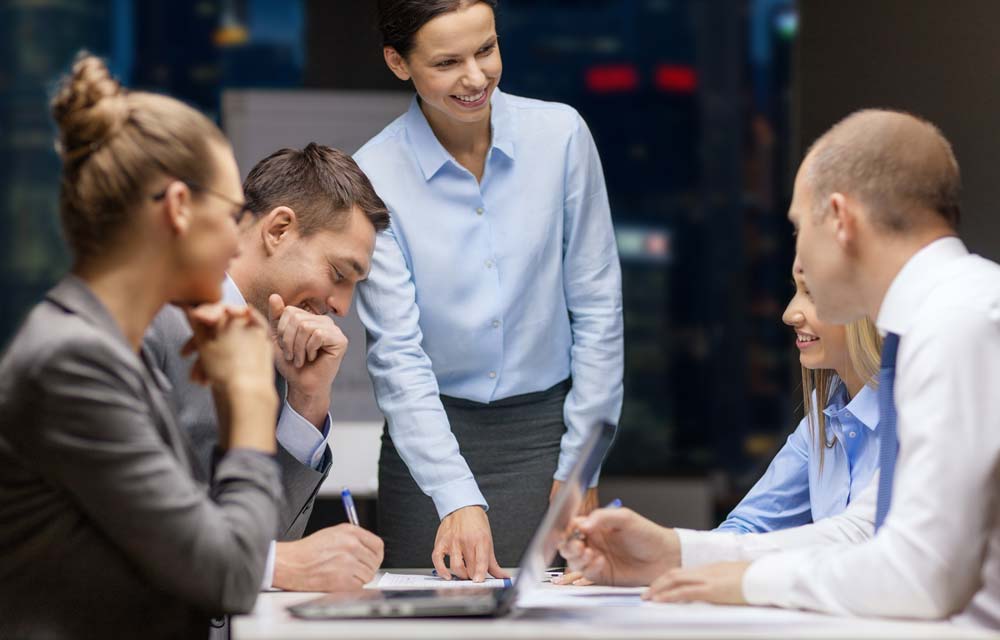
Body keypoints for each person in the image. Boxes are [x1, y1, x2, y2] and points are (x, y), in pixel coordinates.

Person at [561, 109, 1000, 630]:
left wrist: (744, 583)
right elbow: (867, 526)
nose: (798, 261)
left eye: (797, 228)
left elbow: (918, 575)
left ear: (840, 220)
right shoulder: (954, 311)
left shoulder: (957, 322)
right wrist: (674, 552)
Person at [0, 54, 281, 638]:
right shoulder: (72, 362)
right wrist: (252, 397)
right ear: (179, 207)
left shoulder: (108, 350)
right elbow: (228, 575)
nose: (237, 241)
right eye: (233, 214)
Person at [354, 0, 624, 580]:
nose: (476, 78)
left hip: (546, 440)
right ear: (398, 63)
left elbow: (598, 307)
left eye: (486, 49)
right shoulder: (373, 174)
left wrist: (583, 464)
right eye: (448, 62)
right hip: (427, 443)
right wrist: (452, 492)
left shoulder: (561, 137)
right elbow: (396, 352)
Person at [145, 144, 388, 593]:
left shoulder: (276, 350)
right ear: (278, 230)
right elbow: (119, 519)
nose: (342, 305)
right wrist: (278, 566)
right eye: (338, 272)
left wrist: (307, 401)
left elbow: (270, 539)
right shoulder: (150, 318)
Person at [556, 258, 882, 586]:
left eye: (811, 294)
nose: (789, 314)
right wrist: (649, 564)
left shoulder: (914, 415)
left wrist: (665, 554)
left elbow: (862, 544)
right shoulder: (822, 421)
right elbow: (747, 527)